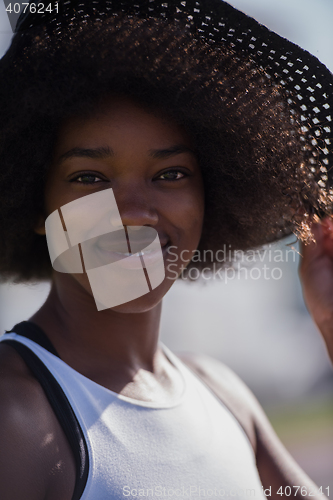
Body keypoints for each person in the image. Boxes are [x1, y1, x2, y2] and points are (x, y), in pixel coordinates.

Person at [0, 1, 332, 499]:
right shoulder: (15, 414)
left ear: (213, 194)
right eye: (89, 178)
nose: (134, 212)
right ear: (32, 201)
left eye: (171, 174)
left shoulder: (222, 395)